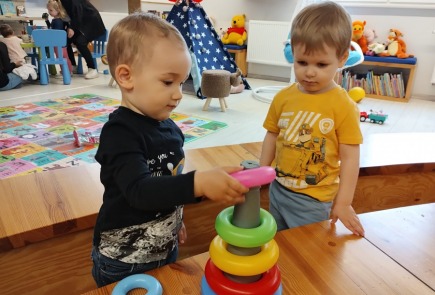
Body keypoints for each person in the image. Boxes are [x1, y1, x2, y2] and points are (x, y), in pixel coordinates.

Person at [91, 12, 248, 287]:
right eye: (168, 82)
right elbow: (140, 190)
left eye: (181, 82)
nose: (178, 94)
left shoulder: (170, 129)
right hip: (123, 260)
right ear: (126, 77)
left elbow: (166, 183)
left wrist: (173, 220)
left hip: (164, 245)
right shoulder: (120, 134)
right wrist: (198, 183)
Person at [259, 1, 365, 237]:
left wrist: (344, 202)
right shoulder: (283, 98)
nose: (309, 72)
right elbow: (272, 135)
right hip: (278, 189)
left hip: (314, 200)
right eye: (302, 62)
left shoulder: (343, 105)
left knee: (306, 254)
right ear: (292, 55)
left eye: (321, 64)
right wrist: (261, 171)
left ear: (342, 58)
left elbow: (350, 157)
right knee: (276, 243)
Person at [59, 0, 106, 79]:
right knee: (65, 41)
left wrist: (72, 28)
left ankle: (92, 69)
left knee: (80, 42)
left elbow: (78, 12)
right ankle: (73, 66)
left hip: (91, 22)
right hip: (81, 21)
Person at [43, 0, 73, 75]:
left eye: (51, 10)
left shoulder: (58, 20)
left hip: (59, 43)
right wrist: (47, 21)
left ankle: (68, 71)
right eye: (48, 10)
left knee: (62, 57)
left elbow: (54, 31)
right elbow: (52, 28)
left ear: (58, 10)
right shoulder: (58, 19)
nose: (49, 12)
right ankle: (66, 70)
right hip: (60, 43)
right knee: (62, 57)